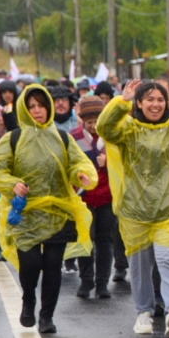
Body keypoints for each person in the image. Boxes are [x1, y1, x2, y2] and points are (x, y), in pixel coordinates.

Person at [97, 77, 169, 338]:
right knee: (138, 267)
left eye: (161, 99)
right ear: (139, 102)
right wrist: (120, 102)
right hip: (135, 212)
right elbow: (104, 128)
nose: (155, 104)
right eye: (149, 99)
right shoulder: (128, 129)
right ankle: (144, 313)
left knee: (168, 259)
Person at [0, 85, 97, 334]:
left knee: (53, 263)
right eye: (31, 106)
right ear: (25, 109)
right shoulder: (12, 138)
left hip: (57, 211)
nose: (37, 111)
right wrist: (12, 183)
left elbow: (77, 162)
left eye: (41, 105)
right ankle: (28, 301)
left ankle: (47, 316)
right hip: (25, 213)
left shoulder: (62, 137)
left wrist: (81, 174)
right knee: (31, 262)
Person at [70, 97, 115, 299]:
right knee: (85, 239)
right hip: (84, 197)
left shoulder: (112, 137)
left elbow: (125, 161)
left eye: (97, 120)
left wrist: (110, 161)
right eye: (89, 121)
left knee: (106, 241)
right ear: (82, 120)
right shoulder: (73, 138)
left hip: (108, 197)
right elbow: (68, 165)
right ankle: (86, 280)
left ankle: (102, 282)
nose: (93, 125)